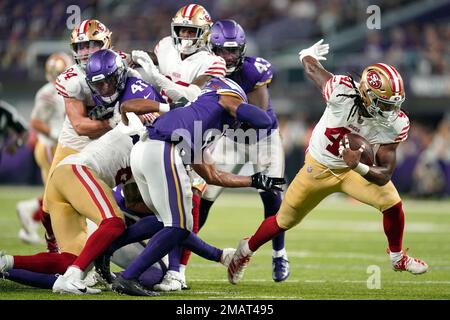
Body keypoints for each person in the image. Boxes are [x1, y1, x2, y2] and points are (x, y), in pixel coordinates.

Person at [227, 39, 429, 285]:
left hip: (352, 170)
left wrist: (357, 165)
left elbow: (385, 172)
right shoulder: (341, 92)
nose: (390, 111)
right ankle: (244, 251)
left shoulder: (396, 123)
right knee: (284, 220)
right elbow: (314, 70)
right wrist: (306, 54)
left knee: (393, 203)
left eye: (393, 104)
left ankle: (397, 258)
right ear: (365, 94)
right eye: (384, 104)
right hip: (318, 168)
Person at [110, 73, 286, 296]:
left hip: (146, 151)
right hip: (163, 149)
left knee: (161, 221)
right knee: (179, 225)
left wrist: (254, 180)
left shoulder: (200, 122)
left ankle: (108, 249)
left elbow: (213, 176)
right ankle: (128, 278)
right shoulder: (222, 99)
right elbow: (264, 120)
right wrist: (240, 106)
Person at [131, 3, 228, 291]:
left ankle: (177, 271)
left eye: (192, 30)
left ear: (204, 33)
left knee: (188, 203)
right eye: (182, 29)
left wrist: (155, 81)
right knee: (151, 204)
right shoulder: (163, 46)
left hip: (194, 131)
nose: (185, 35)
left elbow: (191, 97)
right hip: (158, 129)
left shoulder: (214, 62)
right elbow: (150, 76)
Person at [199, 19, 290, 282]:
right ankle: (180, 253)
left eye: (234, 50)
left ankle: (279, 253)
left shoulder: (253, 71)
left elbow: (258, 115)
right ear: (211, 49)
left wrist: (220, 113)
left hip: (262, 138)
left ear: (242, 49)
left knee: (272, 194)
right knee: (205, 194)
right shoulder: (204, 68)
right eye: (223, 51)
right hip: (230, 138)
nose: (229, 57)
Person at [16, 52, 72, 245]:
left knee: (59, 193)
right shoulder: (48, 93)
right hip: (51, 145)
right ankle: (30, 210)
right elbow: (36, 122)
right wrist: (56, 133)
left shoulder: (66, 89)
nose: (59, 75)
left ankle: (31, 217)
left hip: (56, 145)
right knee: (62, 193)